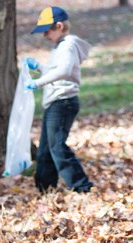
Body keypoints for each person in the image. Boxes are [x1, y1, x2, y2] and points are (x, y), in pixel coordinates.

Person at [25, 6, 93, 193]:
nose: (45, 35)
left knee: (57, 146)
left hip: (64, 102)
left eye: (47, 30)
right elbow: (55, 70)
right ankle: (46, 189)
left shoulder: (69, 45)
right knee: (45, 149)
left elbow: (63, 71)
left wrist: (37, 83)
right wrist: (38, 67)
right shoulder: (61, 46)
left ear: (60, 26)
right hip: (55, 102)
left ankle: (82, 186)